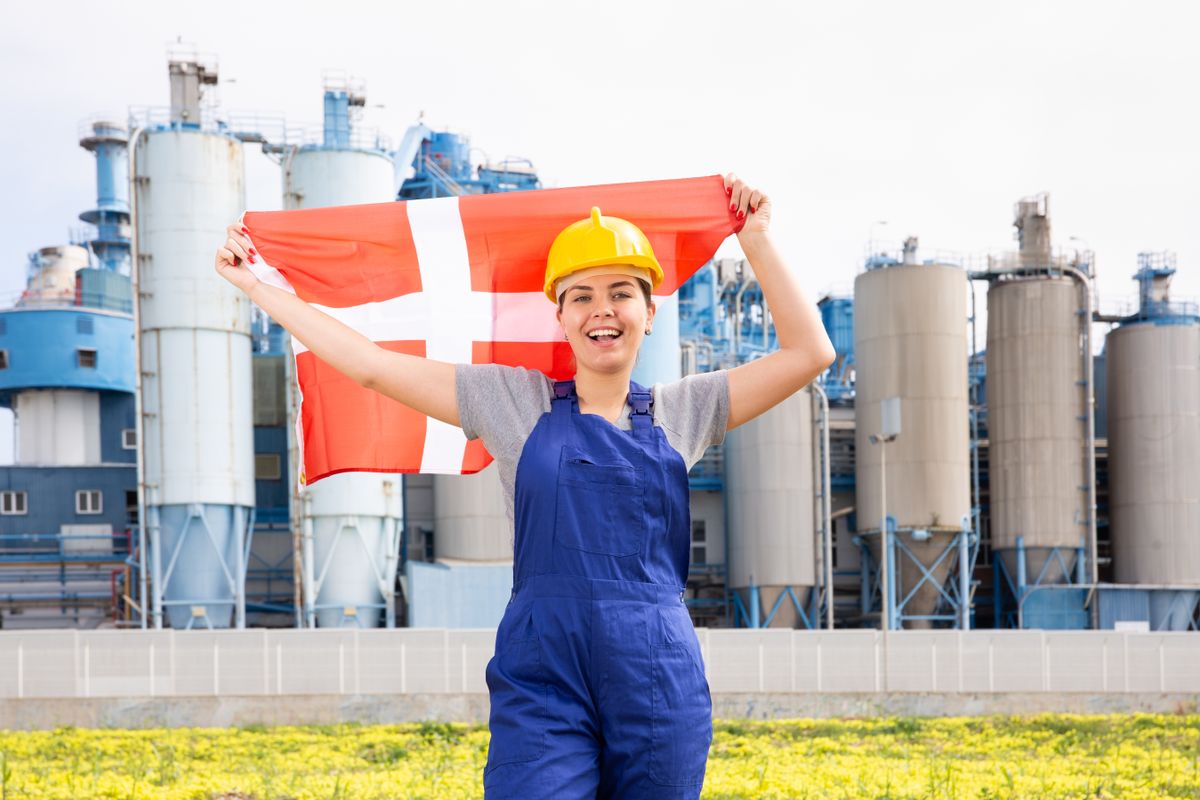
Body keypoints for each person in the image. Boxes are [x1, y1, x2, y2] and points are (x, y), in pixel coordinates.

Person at [215, 174, 835, 798]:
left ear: (650, 312)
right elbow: (371, 366)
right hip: (544, 668)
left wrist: (754, 239)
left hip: (656, 668)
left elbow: (810, 352)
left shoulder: (686, 410)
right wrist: (257, 286)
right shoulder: (512, 400)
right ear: (560, 315)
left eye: (623, 292)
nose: (603, 310)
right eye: (581, 295)